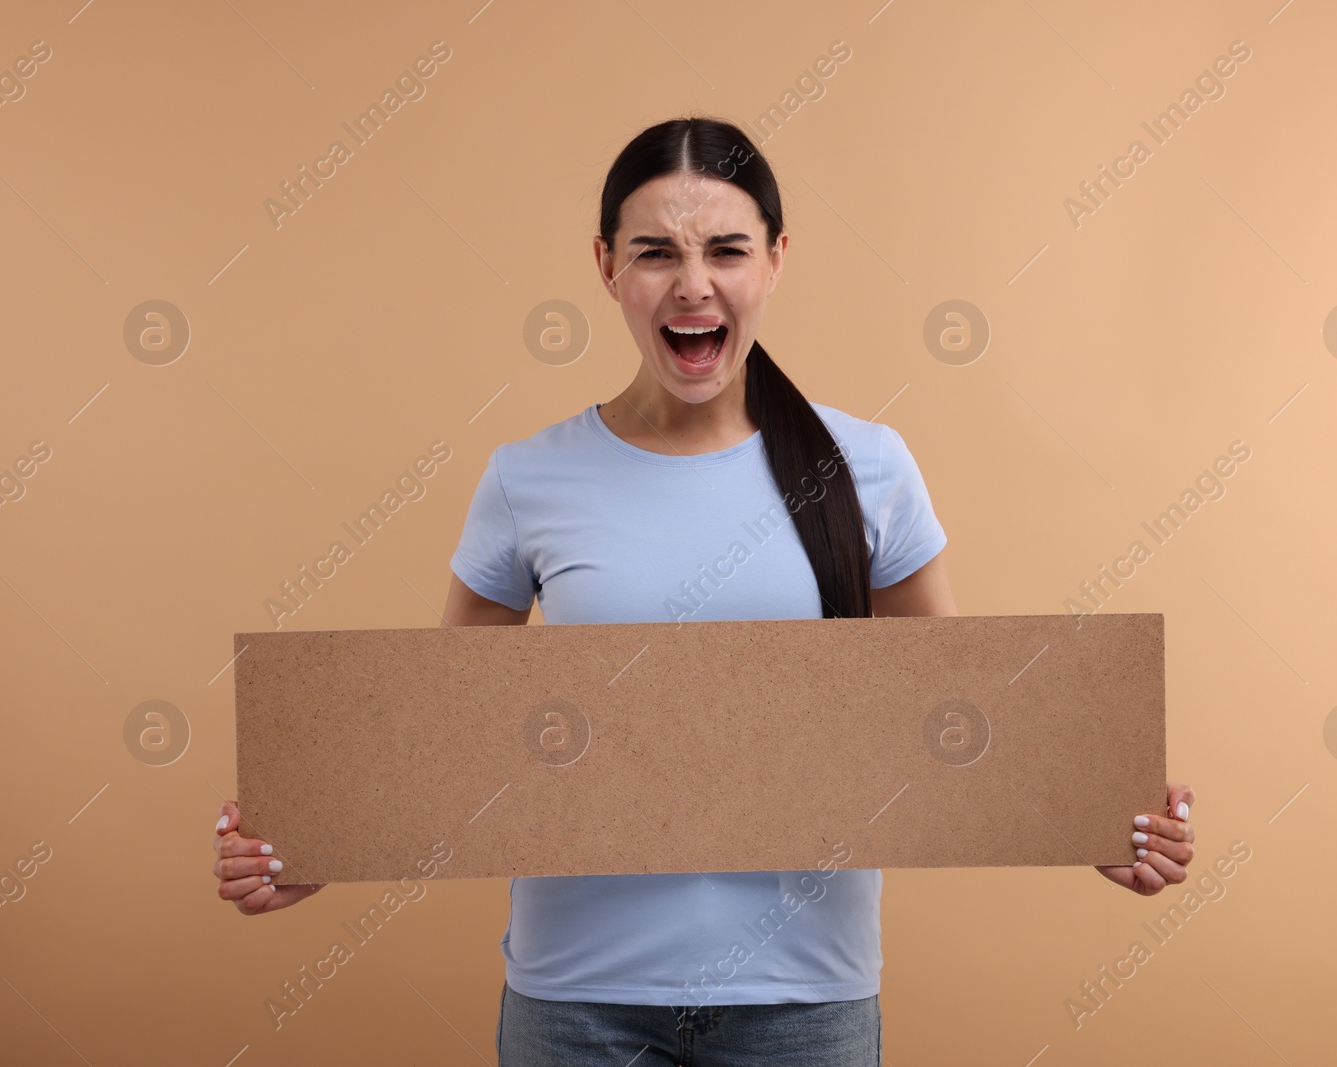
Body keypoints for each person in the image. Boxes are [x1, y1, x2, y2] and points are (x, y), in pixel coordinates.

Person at [213, 116, 1197, 1065]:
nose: (692, 285)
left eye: (726, 248)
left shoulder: (869, 466)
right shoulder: (528, 476)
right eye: (654, 253)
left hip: (803, 1001)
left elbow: (948, 722)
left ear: (775, 258)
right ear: (604, 264)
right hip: (577, 1003)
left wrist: (1091, 817)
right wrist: (321, 840)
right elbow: (447, 727)